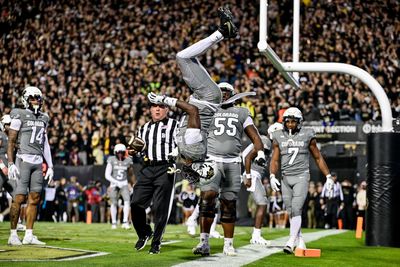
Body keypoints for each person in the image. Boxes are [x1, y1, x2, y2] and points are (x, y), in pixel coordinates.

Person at [147, 7, 261, 181]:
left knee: (188, 58)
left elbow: (188, 140)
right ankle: (223, 32)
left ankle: (223, 32)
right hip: (206, 98)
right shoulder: (192, 149)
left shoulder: (192, 152)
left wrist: (174, 152)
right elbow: (192, 111)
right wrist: (164, 99)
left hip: (204, 98)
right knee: (182, 57)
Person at [190, 81, 265, 256]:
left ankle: (228, 244)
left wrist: (260, 152)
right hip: (211, 160)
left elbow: (255, 135)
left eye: (226, 91)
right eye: (220, 91)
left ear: (232, 94)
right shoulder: (208, 109)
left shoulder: (242, 112)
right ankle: (204, 242)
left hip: (233, 162)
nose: (223, 94)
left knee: (229, 204)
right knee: (207, 198)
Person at [269, 107, 334, 254]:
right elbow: (274, 159)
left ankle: (291, 241)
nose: (290, 124)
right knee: (291, 210)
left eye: (293, 122)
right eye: (288, 121)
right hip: (285, 177)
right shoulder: (278, 135)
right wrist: (272, 175)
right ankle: (300, 240)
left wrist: (328, 176)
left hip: (301, 176)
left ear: (299, 122)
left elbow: (318, 157)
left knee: (297, 207)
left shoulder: (307, 134)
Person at [7, 86, 54, 245]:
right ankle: (13, 234)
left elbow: (45, 143)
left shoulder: (44, 117)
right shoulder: (18, 115)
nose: (36, 101)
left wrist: (51, 165)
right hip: (23, 160)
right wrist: (11, 162)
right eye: (33, 97)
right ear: (26, 99)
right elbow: (11, 141)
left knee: (35, 198)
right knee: (19, 197)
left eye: (38, 98)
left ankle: (29, 234)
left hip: (38, 162)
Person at [130, 101, 178, 254]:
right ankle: (144, 232)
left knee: (160, 207)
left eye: (161, 106)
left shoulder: (175, 125)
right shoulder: (144, 128)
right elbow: (140, 150)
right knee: (135, 203)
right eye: (154, 106)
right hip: (147, 167)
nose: (157, 109)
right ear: (150, 109)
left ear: (167, 109)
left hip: (166, 167)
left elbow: (183, 144)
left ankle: (156, 243)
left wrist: (177, 153)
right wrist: (133, 152)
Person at [240, 123, 284, 245]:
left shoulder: (269, 143)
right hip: (252, 174)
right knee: (263, 203)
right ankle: (256, 236)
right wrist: (248, 175)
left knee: (263, 203)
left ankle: (256, 235)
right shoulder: (266, 141)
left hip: (254, 174)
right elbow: (248, 157)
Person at [105, 143, 134, 229]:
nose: (120, 154)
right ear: (115, 152)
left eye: (122, 152)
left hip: (124, 183)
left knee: (127, 201)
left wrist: (132, 184)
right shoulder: (111, 159)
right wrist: (116, 182)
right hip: (114, 184)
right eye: (118, 152)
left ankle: (125, 222)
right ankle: (114, 222)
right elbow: (107, 175)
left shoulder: (128, 160)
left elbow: (131, 173)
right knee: (113, 203)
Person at [0, 115, 16, 196]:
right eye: (8, 124)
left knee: (17, 195)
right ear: (3, 124)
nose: (11, 127)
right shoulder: (1, 135)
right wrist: (2, 166)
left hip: (9, 171)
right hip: (2, 170)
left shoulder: (11, 136)